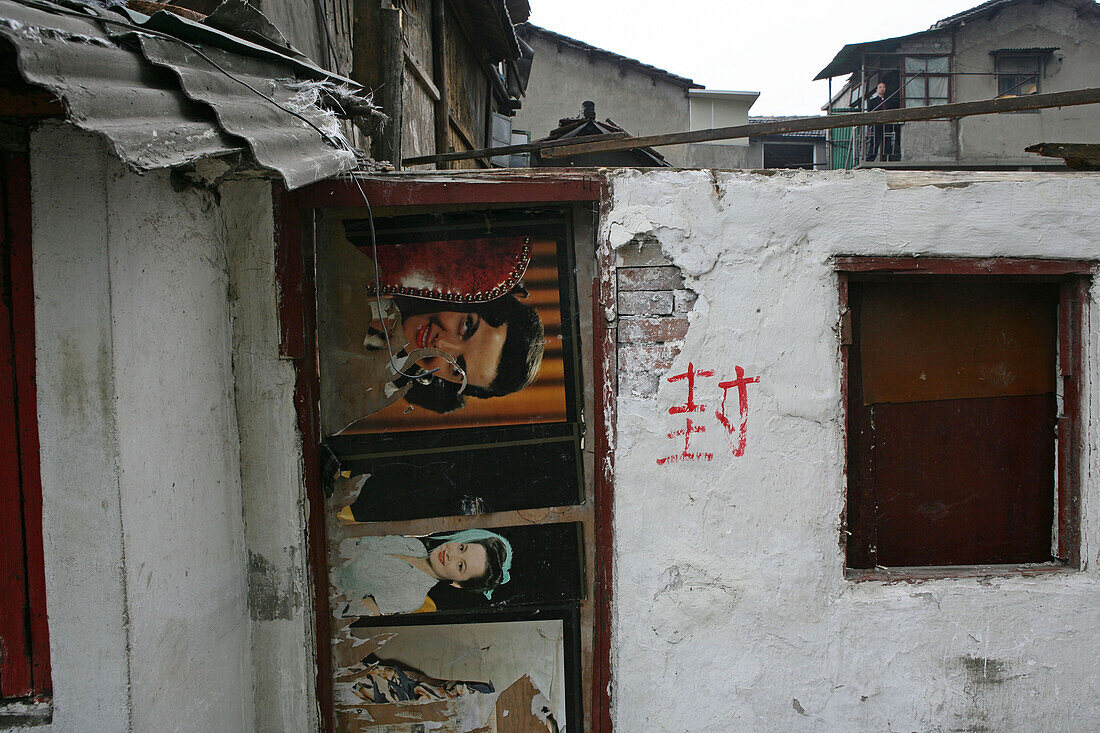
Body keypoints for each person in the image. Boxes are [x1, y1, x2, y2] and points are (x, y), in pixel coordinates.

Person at [316, 234, 546, 434]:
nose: (441, 344)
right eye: (466, 326)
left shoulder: (357, 379)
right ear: (469, 295)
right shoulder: (392, 258)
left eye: (456, 368)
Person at [333, 529, 512, 617]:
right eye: (461, 548)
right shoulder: (414, 545)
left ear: (457, 584)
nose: (451, 554)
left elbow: (346, 613)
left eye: (460, 566)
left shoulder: (411, 597)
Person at [866, 82, 896, 162]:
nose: (882, 89)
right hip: (877, 126)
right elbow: (870, 113)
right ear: (877, 90)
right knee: (875, 143)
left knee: (887, 143)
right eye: (880, 87)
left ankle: (887, 160)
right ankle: (870, 160)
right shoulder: (872, 101)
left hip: (887, 125)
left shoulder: (889, 100)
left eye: (883, 87)